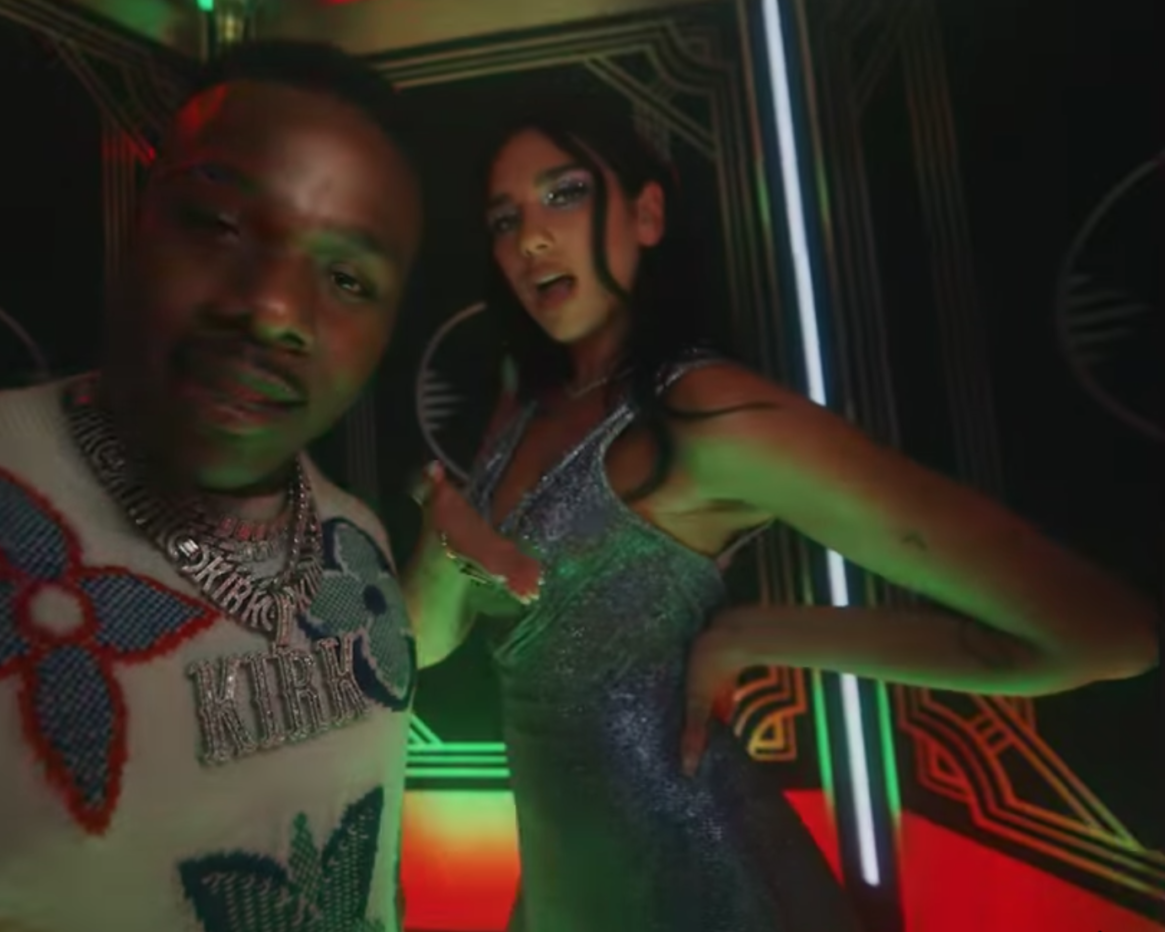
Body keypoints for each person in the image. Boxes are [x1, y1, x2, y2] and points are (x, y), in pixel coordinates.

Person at [402, 97, 1159, 932]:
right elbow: (425, 642)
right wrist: (444, 525)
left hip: (702, 885)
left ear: (647, 215)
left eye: (565, 193)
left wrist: (757, 633)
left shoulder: (710, 414)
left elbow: (1104, 635)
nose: (530, 239)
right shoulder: (525, 398)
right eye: (505, 219)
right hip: (565, 892)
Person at [0, 40, 423, 932]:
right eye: (218, 223)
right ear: (135, 219)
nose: (274, 309)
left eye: (349, 278)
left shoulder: (357, 549)